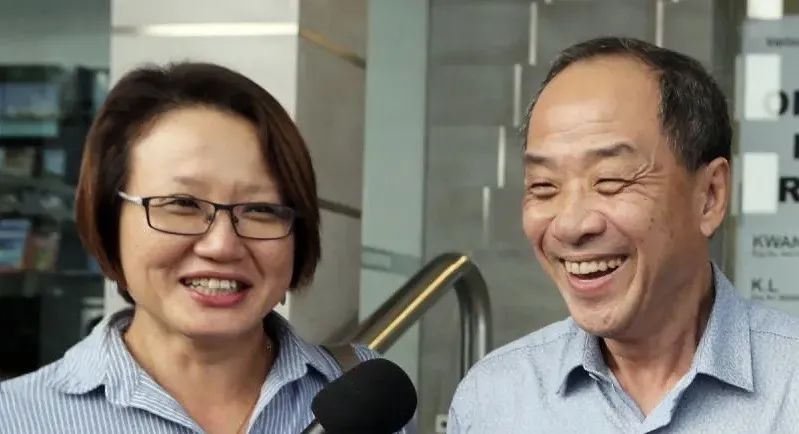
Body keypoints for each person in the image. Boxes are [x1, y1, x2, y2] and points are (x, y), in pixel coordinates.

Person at [0, 62, 413, 434]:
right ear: (110, 219)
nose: (222, 245)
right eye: (182, 204)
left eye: (261, 210)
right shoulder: (16, 417)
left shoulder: (366, 401)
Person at [447, 37, 799, 433]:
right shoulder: (493, 401)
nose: (570, 225)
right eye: (543, 186)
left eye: (611, 180)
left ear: (710, 196)